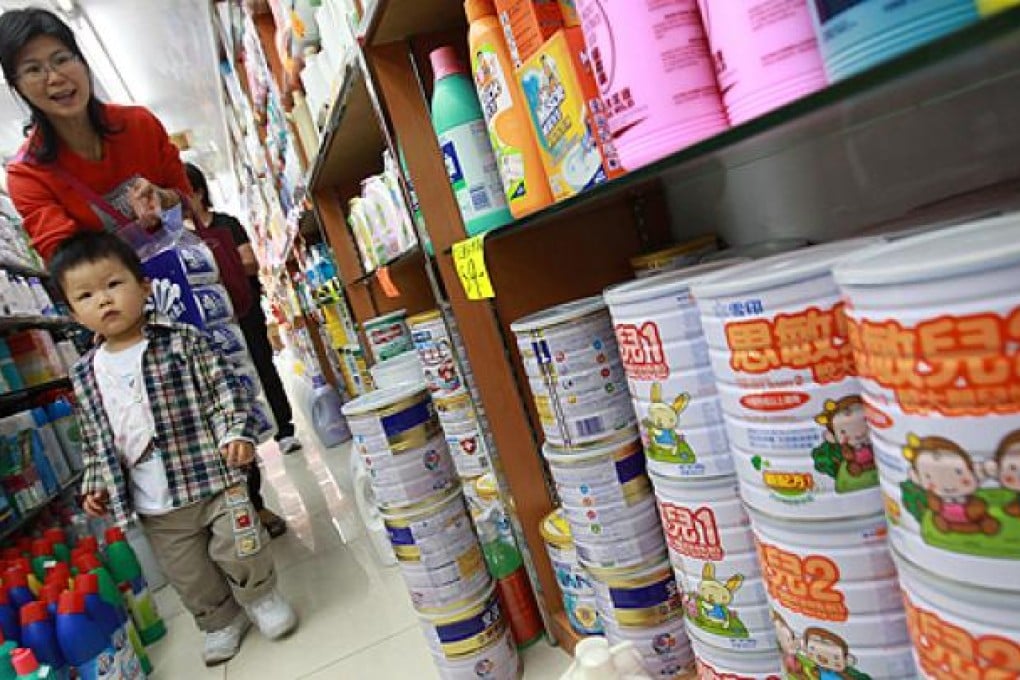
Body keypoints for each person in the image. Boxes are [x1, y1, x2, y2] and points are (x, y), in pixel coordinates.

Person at [51, 230, 298, 666]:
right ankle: (220, 620)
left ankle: (261, 597)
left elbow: (224, 391)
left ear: (144, 287)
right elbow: (95, 437)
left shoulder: (182, 340)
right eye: (86, 295)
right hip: (154, 499)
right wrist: (96, 483)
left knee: (240, 544)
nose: (104, 300)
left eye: (114, 284)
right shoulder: (86, 374)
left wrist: (234, 432)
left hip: (212, 473)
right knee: (187, 571)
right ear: (72, 311)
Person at [0, 7, 190, 261]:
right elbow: (67, 262)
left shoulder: (138, 123)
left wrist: (162, 198)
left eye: (62, 59)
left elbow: (187, 200)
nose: (55, 77)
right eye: (34, 70)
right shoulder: (27, 174)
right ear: (17, 86)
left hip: (184, 274)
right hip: (117, 298)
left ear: (82, 60)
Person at [185, 162, 299, 538]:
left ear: (199, 190)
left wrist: (210, 267)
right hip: (207, 331)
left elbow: (249, 261)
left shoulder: (227, 223)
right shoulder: (172, 239)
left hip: (243, 312)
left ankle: (284, 429)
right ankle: (250, 502)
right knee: (227, 400)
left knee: (263, 372)